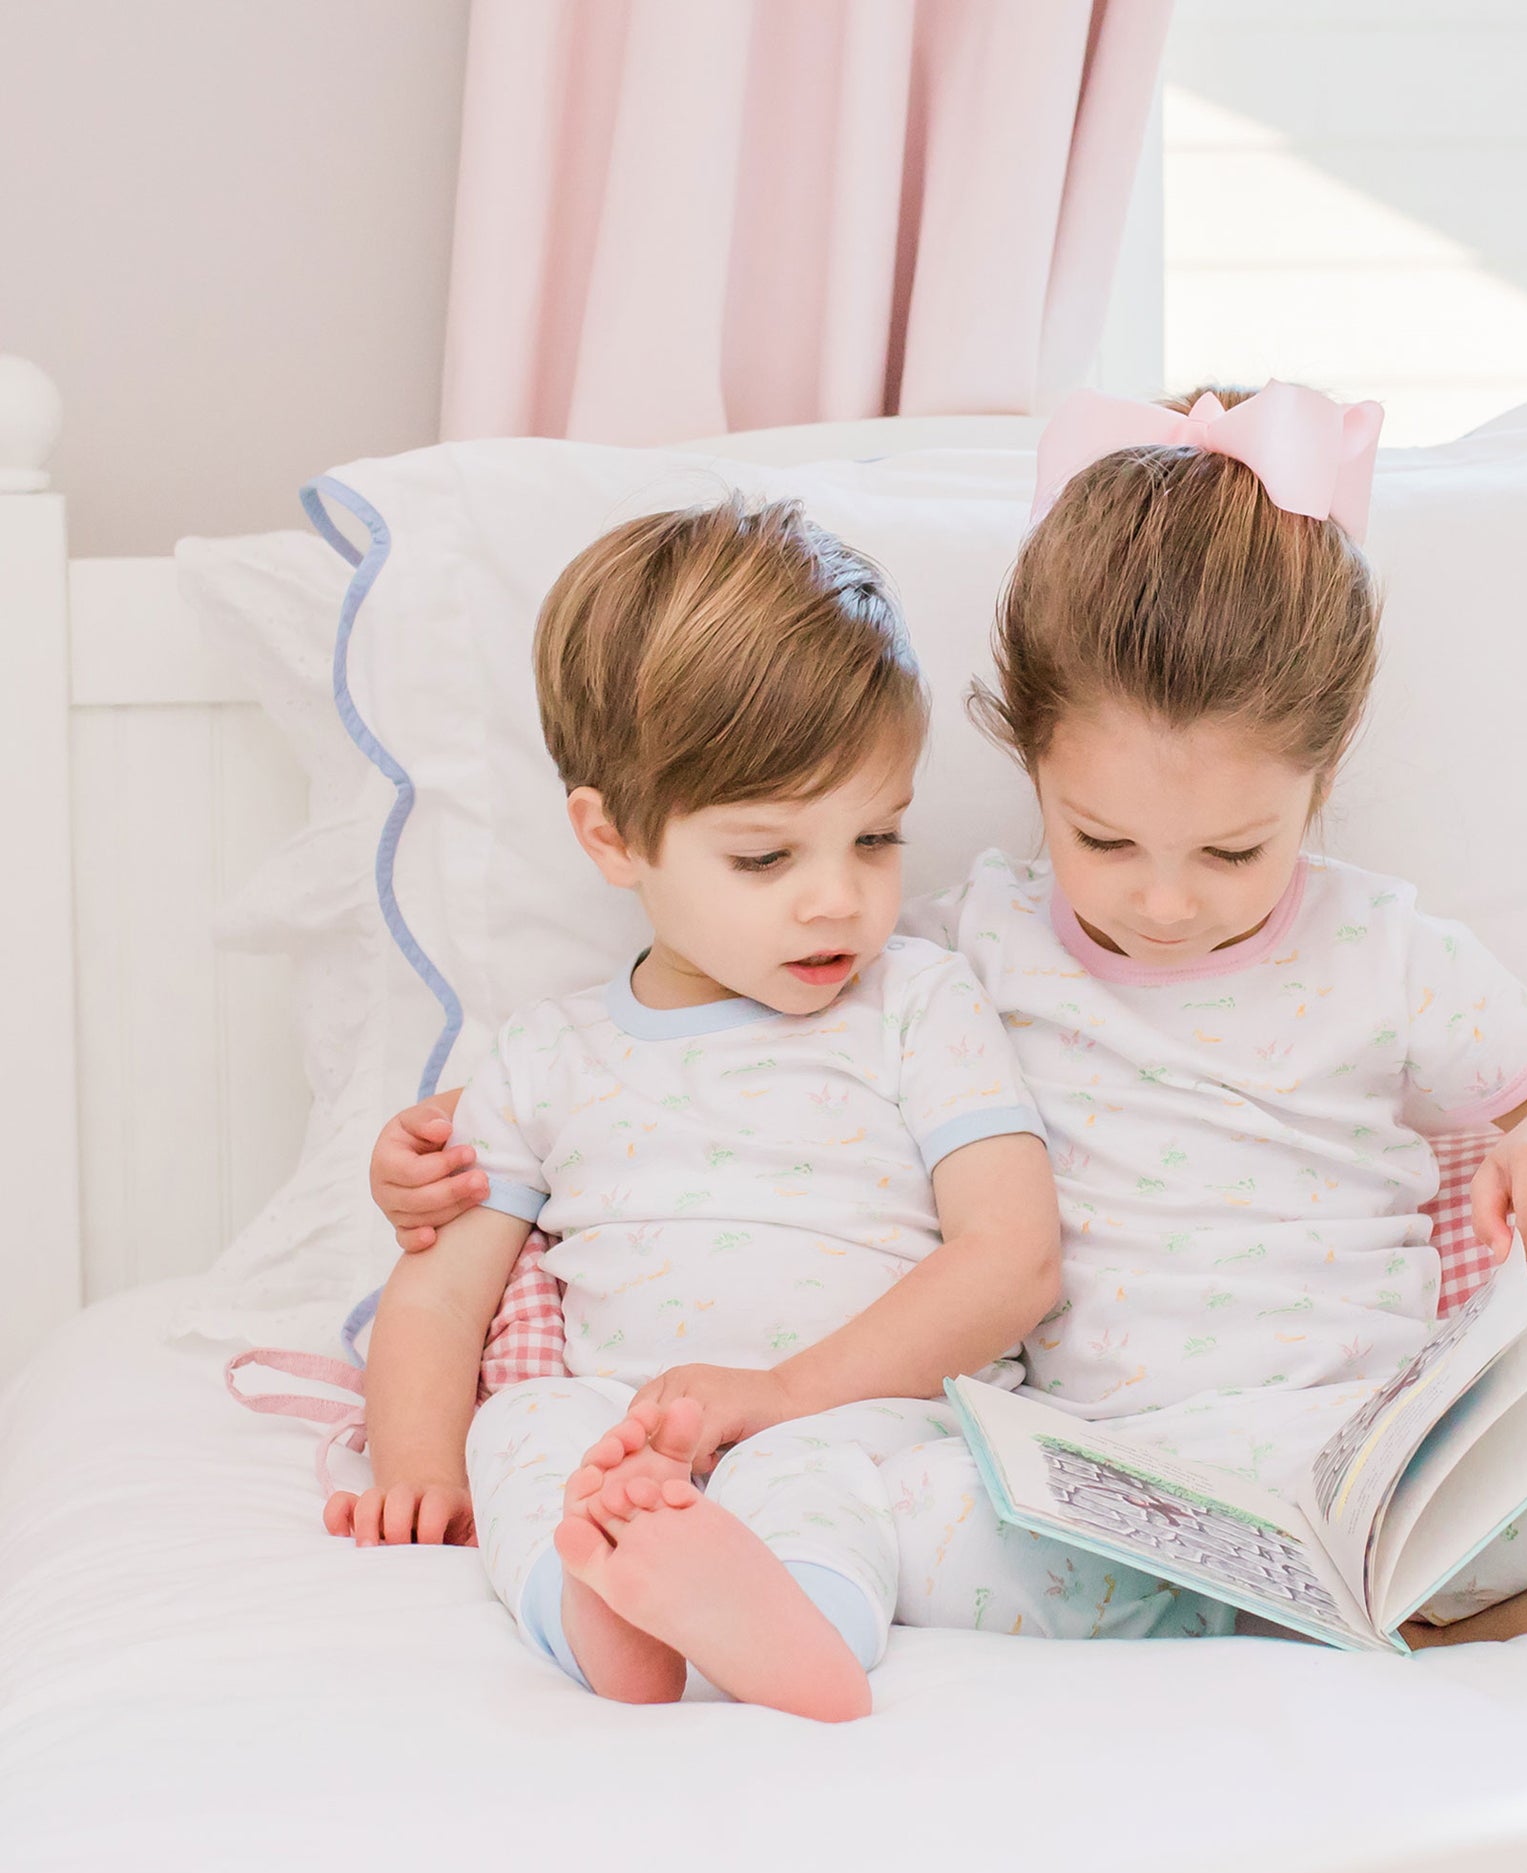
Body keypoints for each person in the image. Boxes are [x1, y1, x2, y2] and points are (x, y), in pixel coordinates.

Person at [375, 384, 1527, 1650]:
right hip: (1101, 1477)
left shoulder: (1384, 951)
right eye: (1100, 840)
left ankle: (1403, 1590)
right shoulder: (956, 949)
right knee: (889, 1511)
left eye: (1231, 852)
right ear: (1024, 755)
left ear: (1320, 778)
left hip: (1375, 1435)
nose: (1163, 904)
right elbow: (732, 1055)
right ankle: (1431, 1625)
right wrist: (446, 1152)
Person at [331, 499, 1080, 1721]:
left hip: (853, 1410)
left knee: (825, 1478)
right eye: (765, 859)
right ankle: (596, 1615)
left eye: (876, 835)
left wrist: (780, 1393)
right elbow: (440, 1290)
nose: (837, 900)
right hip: (628, 1433)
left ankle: (792, 1627)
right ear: (612, 837)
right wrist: (418, 1473)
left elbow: (1012, 1259)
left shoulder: (920, 1003)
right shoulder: (540, 1057)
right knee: (524, 1425)